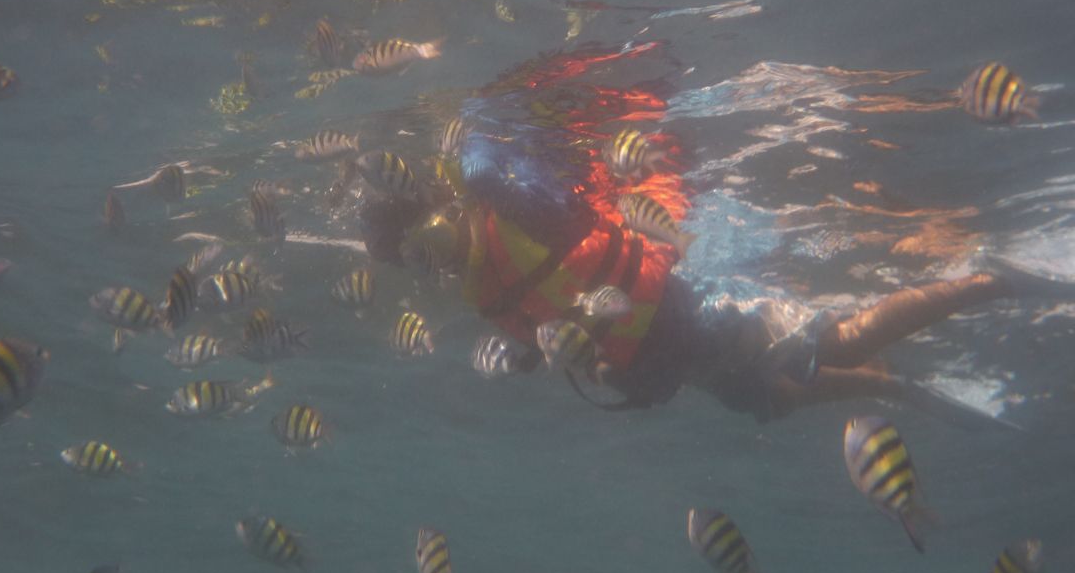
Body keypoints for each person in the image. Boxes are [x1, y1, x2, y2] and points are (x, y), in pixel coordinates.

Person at [359, 40, 1046, 424]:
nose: (432, 264)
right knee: (779, 393)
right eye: (417, 261)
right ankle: (899, 380)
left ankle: (990, 283)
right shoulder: (482, 271)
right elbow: (545, 326)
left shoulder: (500, 212)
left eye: (424, 243)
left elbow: (546, 210)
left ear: (436, 208)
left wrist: (478, 140)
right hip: (660, 356)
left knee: (826, 350)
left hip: (675, 320)